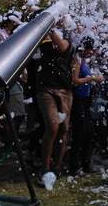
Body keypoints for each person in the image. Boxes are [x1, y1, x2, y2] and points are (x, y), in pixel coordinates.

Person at [35, 25, 75, 180]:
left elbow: (61, 46)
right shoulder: (43, 42)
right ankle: (45, 167)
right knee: (52, 126)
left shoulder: (67, 44)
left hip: (65, 90)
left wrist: (50, 28)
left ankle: (57, 166)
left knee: (64, 129)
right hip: (45, 89)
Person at [69, 37, 102, 175]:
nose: (92, 52)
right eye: (91, 49)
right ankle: (74, 165)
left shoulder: (86, 61)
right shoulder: (77, 60)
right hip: (77, 99)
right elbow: (74, 80)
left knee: (89, 132)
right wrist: (92, 78)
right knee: (79, 132)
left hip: (86, 99)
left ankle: (86, 163)